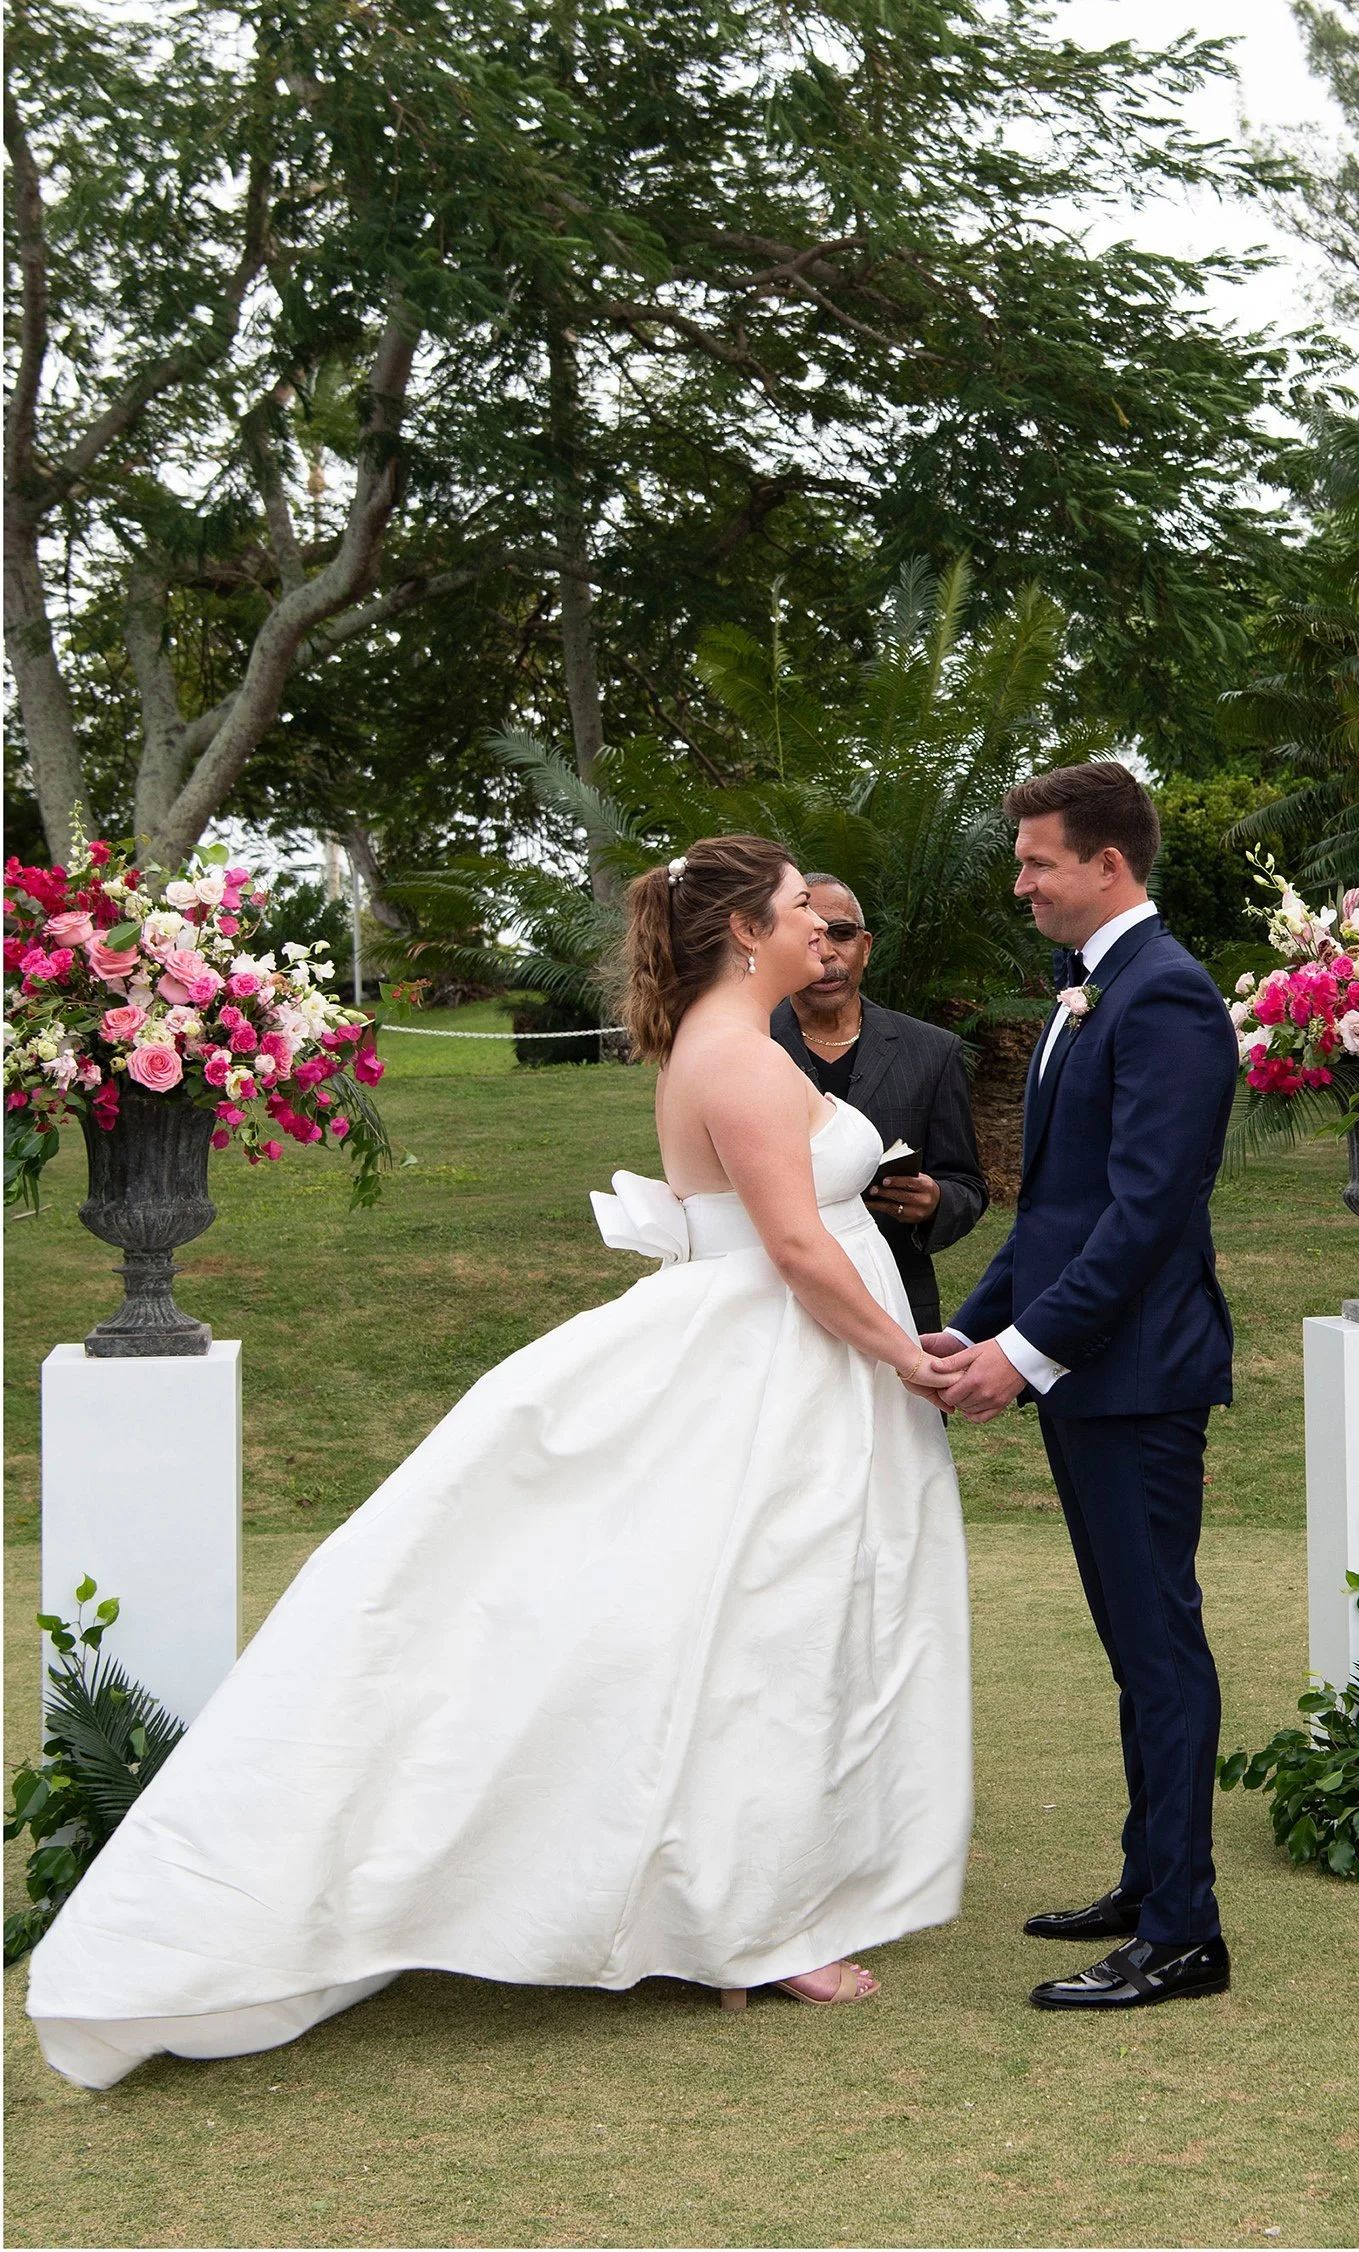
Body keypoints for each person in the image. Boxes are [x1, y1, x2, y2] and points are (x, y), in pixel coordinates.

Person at [28, 837, 973, 2089]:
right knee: (755, 1630)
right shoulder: (737, 1052)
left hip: (791, 1363)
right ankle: (748, 1920)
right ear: (747, 929)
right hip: (770, 1365)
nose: (824, 926)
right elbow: (797, 1250)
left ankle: (764, 1878)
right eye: (804, 907)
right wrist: (907, 1361)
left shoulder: (734, 1038)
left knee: (757, 1626)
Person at [928, 761, 1238, 2014]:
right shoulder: (1086, 991)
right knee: (1133, 1642)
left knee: (1160, 1646)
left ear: (1109, 864)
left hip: (1139, 1374)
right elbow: (1054, 1215)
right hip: (1088, 1370)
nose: (1021, 881)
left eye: (1037, 860)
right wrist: (959, 1334)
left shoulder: (1166, 995)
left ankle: (1184, 1931)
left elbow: (1147, 1215)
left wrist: (1024, 1354)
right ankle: (1146, 1873)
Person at [770, 875, 988, 1333]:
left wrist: (935, 1201)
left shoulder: (933, 1051)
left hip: (897, 1302)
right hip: (772, 1304)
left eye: (842, 933)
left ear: (866, 946)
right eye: (810, 936)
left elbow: (967, 1184)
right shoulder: (748, 1044)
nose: (827, 952)